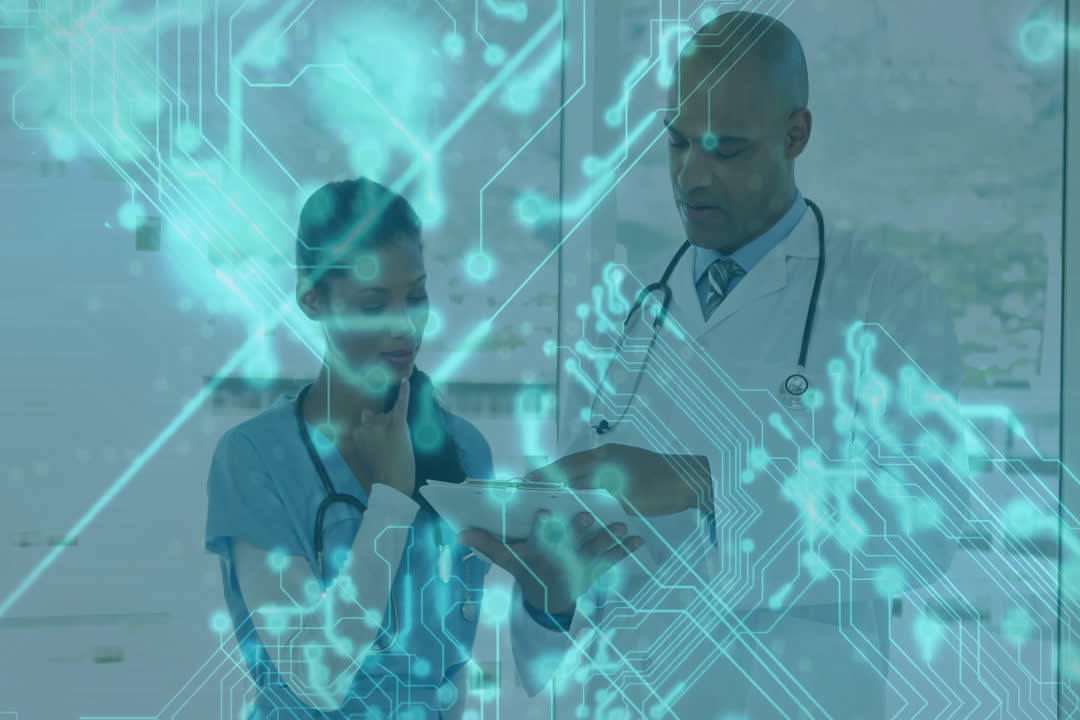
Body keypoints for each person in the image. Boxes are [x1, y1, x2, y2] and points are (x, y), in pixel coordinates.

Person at [504, 11, 970, 719]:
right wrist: (547, 593)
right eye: (678, 142)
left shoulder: (885, 300)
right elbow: (572, 582)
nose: (691, 175)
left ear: (795, 136)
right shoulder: (622, 318)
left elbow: (925, 527)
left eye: (726, 150)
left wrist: (700, 481)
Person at [203, 177, 643, 718]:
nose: (405, 326)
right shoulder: (254, 457)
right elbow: (316, 677)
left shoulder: (461, 446)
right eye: (372, 304)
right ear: (312, 299)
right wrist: (389, 498)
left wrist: (550, 597)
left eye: (415, 296)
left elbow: (534, 672)